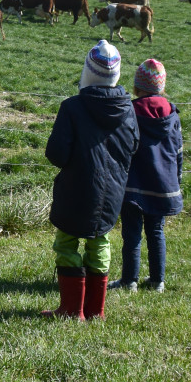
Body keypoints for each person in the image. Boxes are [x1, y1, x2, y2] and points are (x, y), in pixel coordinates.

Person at [42, 39, 138, 321]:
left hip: (76, 188)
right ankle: (96, 311)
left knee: (66, 243)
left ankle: (72, 310)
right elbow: (133, 147)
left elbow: (57, 153)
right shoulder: (129, 109)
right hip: (112, 191)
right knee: (101, 241)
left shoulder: (72, 107)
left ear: (88, 71)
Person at [110, 58, 183, 293]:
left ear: (136, 86)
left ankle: (129, 281)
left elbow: (121, 148)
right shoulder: (172, 115)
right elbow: (178, 152)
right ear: (161, 87)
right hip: (162, 184)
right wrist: (176, 180)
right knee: (156, 231)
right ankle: (157, 281)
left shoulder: (129, 111)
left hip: (132, 185)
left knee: (131, 233)